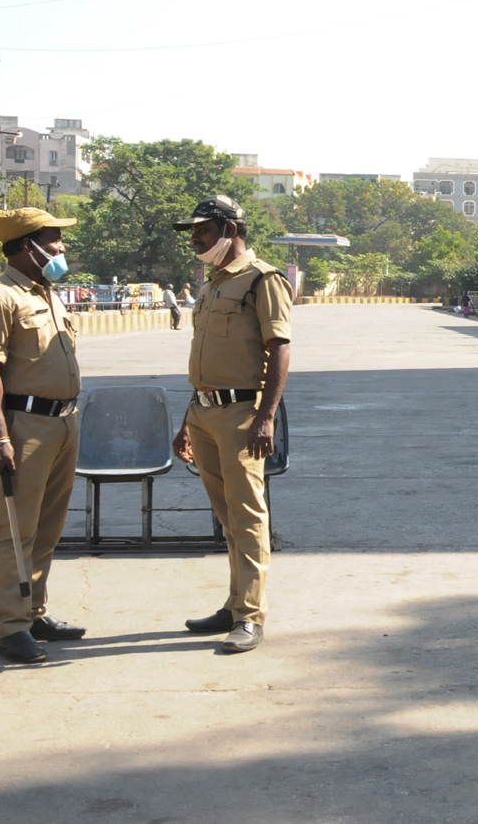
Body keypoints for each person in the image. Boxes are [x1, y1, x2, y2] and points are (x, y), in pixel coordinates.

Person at [0, 208, 84, 664]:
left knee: (46, 529)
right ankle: (10, 627)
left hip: (64, 421)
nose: (61, 248)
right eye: (54, 240)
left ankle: (33, 610)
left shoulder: (47, 294)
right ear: (26, 246)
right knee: (12, 530)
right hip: (23, 426)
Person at [172, 195, 292, 654]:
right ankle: (234, 602)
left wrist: (266, 416)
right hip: (204, 411)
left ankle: (250, 616)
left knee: (247, 517)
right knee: (226, 517)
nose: (195, 238)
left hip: (243, 414)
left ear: (230, 229)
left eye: (201, 229)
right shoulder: (212, 284)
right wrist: (189, 418)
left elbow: (279, 346)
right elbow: (207, 359)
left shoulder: (262, 280)